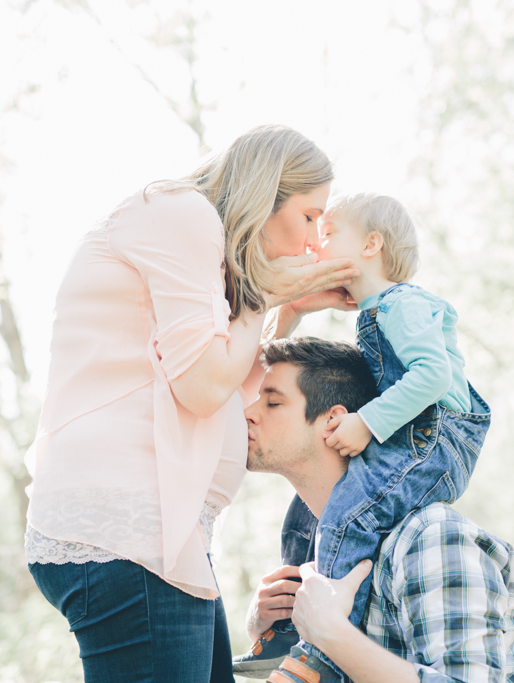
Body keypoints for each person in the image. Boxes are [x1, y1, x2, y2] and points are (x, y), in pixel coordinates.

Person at [23, 125, 359, 683]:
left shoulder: (198, 242)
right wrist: (268, 297)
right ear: (264, 192)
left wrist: (288, 310)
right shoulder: (183, 216)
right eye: (307, 217)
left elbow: (226, 385)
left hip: (161, 540)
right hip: (128, 536)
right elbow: (202, 389)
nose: (310, 244)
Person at [236, 193, 492, 681]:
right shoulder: (376, 312)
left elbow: (433, 375)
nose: (316, 243)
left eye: (327, 232)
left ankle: (320, 654)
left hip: (440, 434)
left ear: (372, 243)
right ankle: (293, 638)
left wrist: (369, 422)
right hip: (414, 429)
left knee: (349, 514)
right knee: (324, 519)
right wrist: (289, 309)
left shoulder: (431, 540)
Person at [242, 337, 514, 683]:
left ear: (332, 421)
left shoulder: (433, 539)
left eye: (273, 402)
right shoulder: (316, 541)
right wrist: (263, 628)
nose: (248, 413)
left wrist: (331, 633)